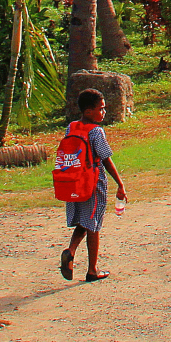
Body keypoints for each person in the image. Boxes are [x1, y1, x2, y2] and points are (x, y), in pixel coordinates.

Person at [60, 90, 127, 283]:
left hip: (74, 181)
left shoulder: (71, 127)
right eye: (101, 109)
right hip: (93, 182)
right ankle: (92, 270)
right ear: (89, 111)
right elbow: (106, 159)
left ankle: (71, 251)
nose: (103, 112)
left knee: (84, 220)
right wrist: (120, 183)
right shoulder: (96, 131)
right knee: (94, 224)